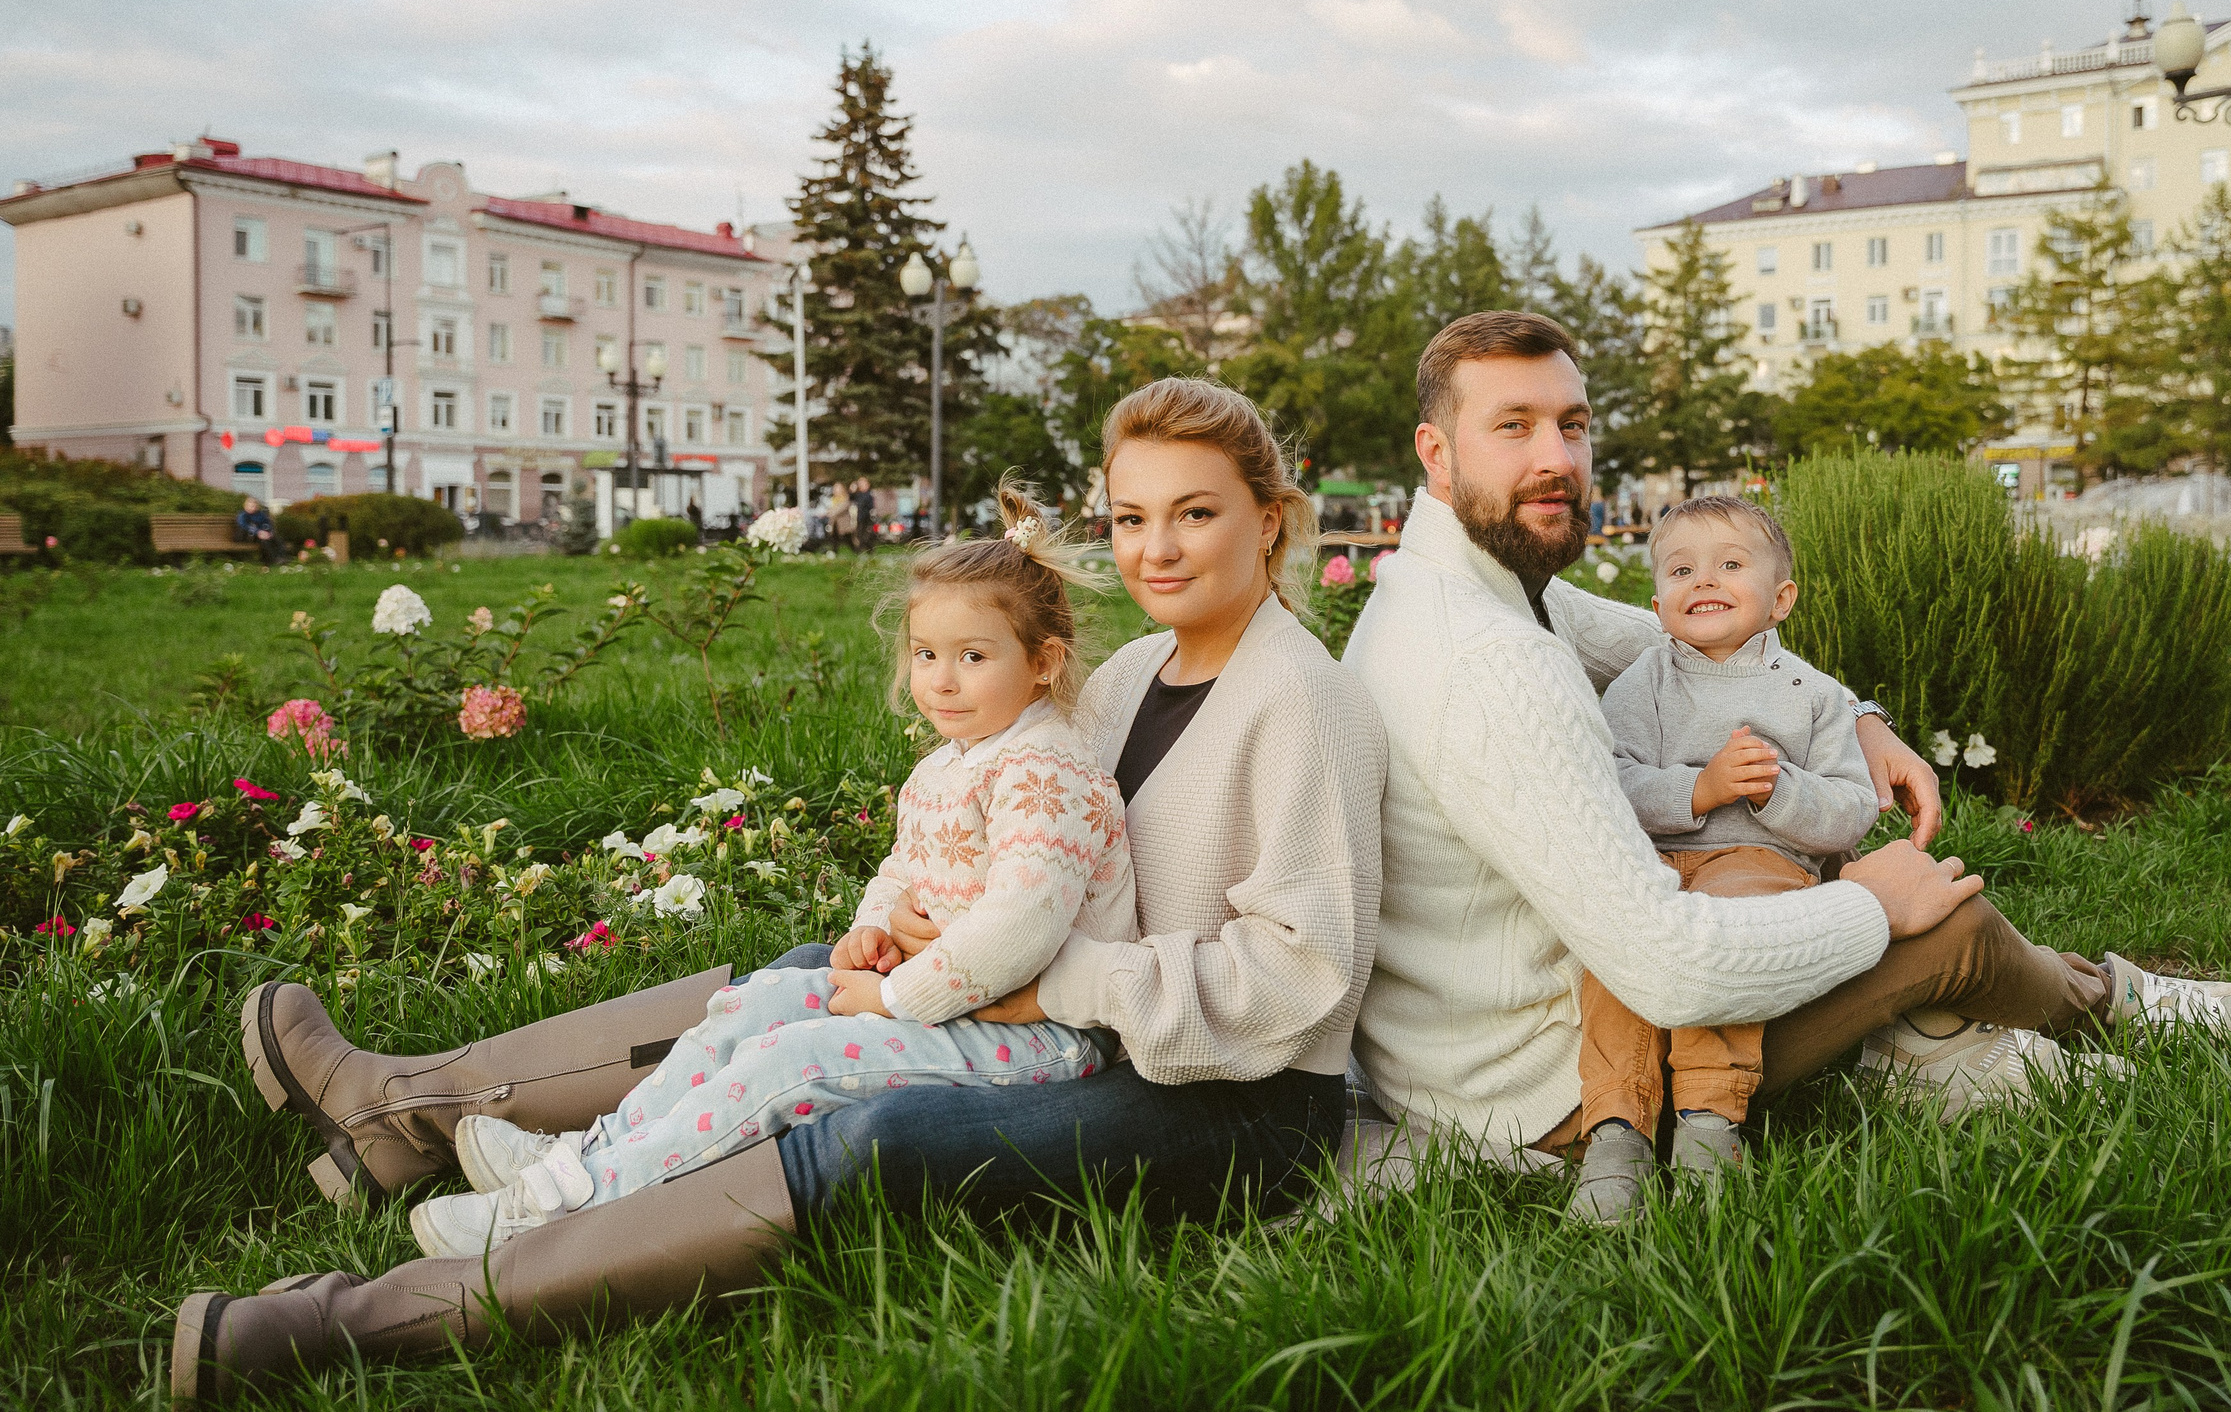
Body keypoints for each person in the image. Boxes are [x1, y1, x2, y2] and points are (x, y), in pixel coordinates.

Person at [175, 377, 1386, 1401]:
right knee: (806, 978)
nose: (1156, 549)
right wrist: (911, 934)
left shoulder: (1303, 702)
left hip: (1234, 1103)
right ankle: (408, 1110)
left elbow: (1297, 978)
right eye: (1130, 517)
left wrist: (1043, 978)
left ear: (1272, 521)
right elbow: (1029, 829)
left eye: (1195, 514)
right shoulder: (1122, 676)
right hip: (1088, 1026)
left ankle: (368, 1316)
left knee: (867, 1124)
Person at [1340, 313, 2231, 1225]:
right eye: (1515, 427)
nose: (1557, 457)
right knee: (1947, 917)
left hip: (1476, 1041)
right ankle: (2110, 1003)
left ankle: (1951, 1032)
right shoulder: (1491, 663)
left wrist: (1856, 714)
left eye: (1574, 425)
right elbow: (1672, 969)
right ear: (1436, 450)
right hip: (1560, 1084)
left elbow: (1668, 640)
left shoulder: (1462, 585)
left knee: (1808, 875)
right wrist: (1875, 903)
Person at [404, 484, 1135, 1259]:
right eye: (926, 654)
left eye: (973, 656)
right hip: (950, 999)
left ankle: (568, 1205)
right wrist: (872, 927)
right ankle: (594, 1149)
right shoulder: (955, 759)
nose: (941, 680)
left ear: (1043, 663)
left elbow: (1021, 924)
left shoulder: (1045, 770)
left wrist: (890, 999)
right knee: (755, 1007)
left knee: (795, 1061)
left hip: (1043, 1039)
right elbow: (904, 864)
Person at [1571, 494, 1904, 1219]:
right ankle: (1616, 1129)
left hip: (1759, 858)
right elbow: (1613, 781)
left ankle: (1708, 1122)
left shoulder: (1814, 697)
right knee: (1616, 945)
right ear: (1657, 602)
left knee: (1728, 931)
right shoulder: (1644, 684)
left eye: (1729, 564)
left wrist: (1775, 793)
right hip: (1659, 858)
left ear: (1780, 598)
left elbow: (1853, 807)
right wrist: (1701, 785)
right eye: (1682, 568)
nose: (1704, 580)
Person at [234, 496, 281, 566]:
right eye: (249, 506)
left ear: (256, 507)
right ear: (245, 506)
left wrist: (267, 532)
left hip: (258, 536)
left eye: (253, 506)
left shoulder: (260, 515)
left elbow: (266, 523)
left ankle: (281, 558)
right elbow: (244, 526)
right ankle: (272, 559)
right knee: (264, 541)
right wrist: (258, 532)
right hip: (245, 536)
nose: (251, 508)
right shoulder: (242, 515)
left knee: (274, 539)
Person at [852, 476, 877, 552]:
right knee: (860, 534)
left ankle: (865, 549)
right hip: (860, 517)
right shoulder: (858, 494)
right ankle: (863, 549)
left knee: (866, 534)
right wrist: (852, 490)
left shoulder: (868, 494)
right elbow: (850, 498)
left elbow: (870, 506)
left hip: (866, 517)